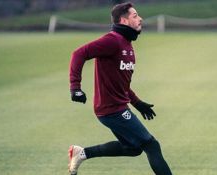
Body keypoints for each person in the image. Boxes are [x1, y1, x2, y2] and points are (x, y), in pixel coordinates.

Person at [68, 2, 172, 175]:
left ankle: (81, 153)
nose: (140, 19)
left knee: (133, 148)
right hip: (111, 110)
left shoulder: (127, 44)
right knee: (152, 145)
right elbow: (79, 54)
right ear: (124, 21)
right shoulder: (112, 40)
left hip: (117, 108)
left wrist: (138, 103)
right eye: (135, 16)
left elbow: (122, 84)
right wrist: (75, 87)